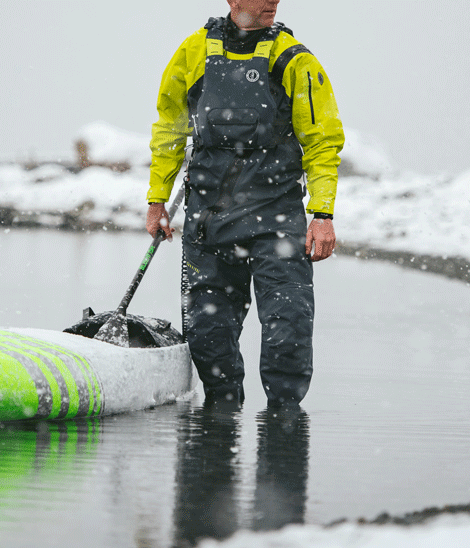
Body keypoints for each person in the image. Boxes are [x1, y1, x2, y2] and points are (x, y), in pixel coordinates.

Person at [146, 0, 344, 405]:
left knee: (287, 335)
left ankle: (284, 428)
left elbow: (322, 141)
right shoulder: (193, 51)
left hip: (277, 221)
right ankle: (218, 427)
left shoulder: (295, 59)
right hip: (209, 221)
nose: (273, 0)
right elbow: (170, 127)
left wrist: (322, 213)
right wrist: (157, 200)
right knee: (209, 341)